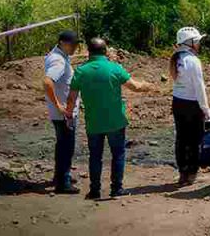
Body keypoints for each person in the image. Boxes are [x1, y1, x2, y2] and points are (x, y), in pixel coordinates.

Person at [66, 37, 159, 200]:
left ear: (89, 52)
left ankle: (94, 190)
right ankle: (116, 188)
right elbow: (135, 87)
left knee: (95, 155)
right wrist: (150, 87)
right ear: (105, 51)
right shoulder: (114, 68)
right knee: (118, 153)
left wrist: (68, 114)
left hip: (93, 121)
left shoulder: (81, 71)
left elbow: (71, 98)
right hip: (115, 120)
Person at [170, 26, 210, 186]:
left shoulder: (175, 58)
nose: (199, 44)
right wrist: (205, 108)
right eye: (197, 41)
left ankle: (182, 172)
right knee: (195, 139)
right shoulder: (193, 61)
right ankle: (192, 173)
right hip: (192, 104)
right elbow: (199, 87)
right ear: (190, 42)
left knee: (181, 138)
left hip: (178, 102)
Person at [44, 30, 82, 194]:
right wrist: (59, 105)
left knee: (63, 145)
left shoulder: (58, 56)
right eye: (72, 44)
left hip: (62, 112)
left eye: (76, 44)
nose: (75, 47)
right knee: (67, 146)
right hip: (63, 113)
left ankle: (60, 176)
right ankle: (63, 182)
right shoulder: (58, 61)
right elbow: (47, 82)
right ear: (62, 43)